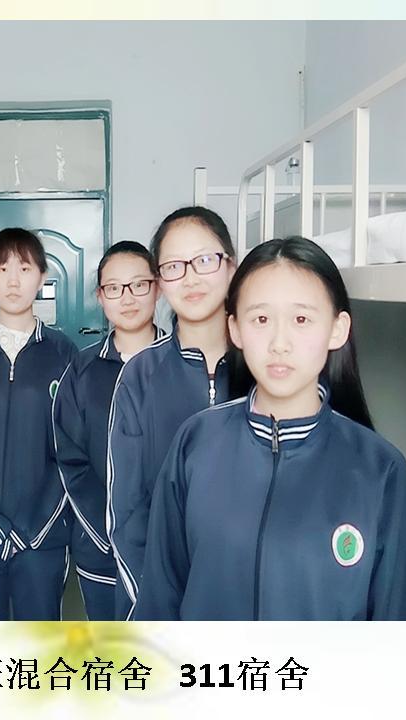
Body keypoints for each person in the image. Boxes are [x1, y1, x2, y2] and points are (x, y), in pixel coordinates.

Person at [136, 236, 406, 620]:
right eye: (261, 320)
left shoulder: (381, 471)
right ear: (235, 329)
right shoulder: (194, 444)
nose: (279, 343)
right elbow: (159, 601)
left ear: (338, 329)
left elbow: (404, 627)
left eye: (301, 319)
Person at [106, 207, 236, 619]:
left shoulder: (265, 368)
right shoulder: (139, 376)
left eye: (205, 260)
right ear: (161, 282)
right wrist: (152, 604)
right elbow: (126, 512)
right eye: (175, 266)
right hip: (160, 604)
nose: (191, 278)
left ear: (231, 266)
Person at [0, 227, 77, 620]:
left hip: (42, 536)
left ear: (42, 277)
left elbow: (71, 448)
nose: (13, 280)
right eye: (2, 269)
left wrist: (34, 527)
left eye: (24, 268)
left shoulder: (63, 351)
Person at [53, 241, 164, 620]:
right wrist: (107, 531)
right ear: (100, 297)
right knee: (109, 646)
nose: (127, 298)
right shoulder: (82, 370)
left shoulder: (182, 364)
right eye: (114, 288)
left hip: (167, 548)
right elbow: (71, 459)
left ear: (157, 288)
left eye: (139, 285)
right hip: (99, 546)